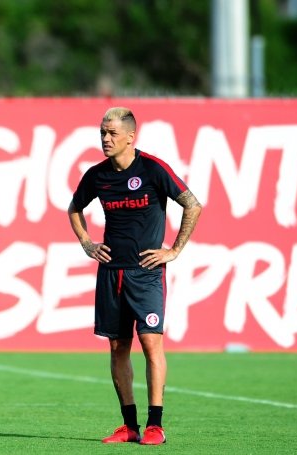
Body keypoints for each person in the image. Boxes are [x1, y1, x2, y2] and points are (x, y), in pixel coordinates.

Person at [67, 107, 202, 445]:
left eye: (112, 133)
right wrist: (86, 242)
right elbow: (74, 208)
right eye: (102, 133)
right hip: (111, 272)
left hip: (146, 274)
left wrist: (174, 250)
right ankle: (129, 426)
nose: (105, 139)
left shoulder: (153, 169)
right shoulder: (97, 175)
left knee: (150, 342)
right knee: (118, 347)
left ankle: (155, 425)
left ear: (131, 136)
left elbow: (192, 204)